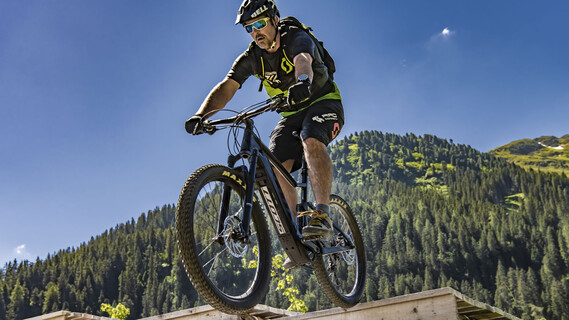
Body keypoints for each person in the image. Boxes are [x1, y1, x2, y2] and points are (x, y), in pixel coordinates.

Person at [185, 0, 344, 262]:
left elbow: (303, 59)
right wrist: (201, 115)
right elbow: (228, 86)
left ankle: (322, 213)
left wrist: (303, 81)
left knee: (312, 138)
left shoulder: (295, 37)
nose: (255, 32)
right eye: (249, 28)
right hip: (290, 113)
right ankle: (295, 233)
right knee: (276, 167)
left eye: (259, 24)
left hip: (323, 101)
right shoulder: (252, 57)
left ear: (274, 20)